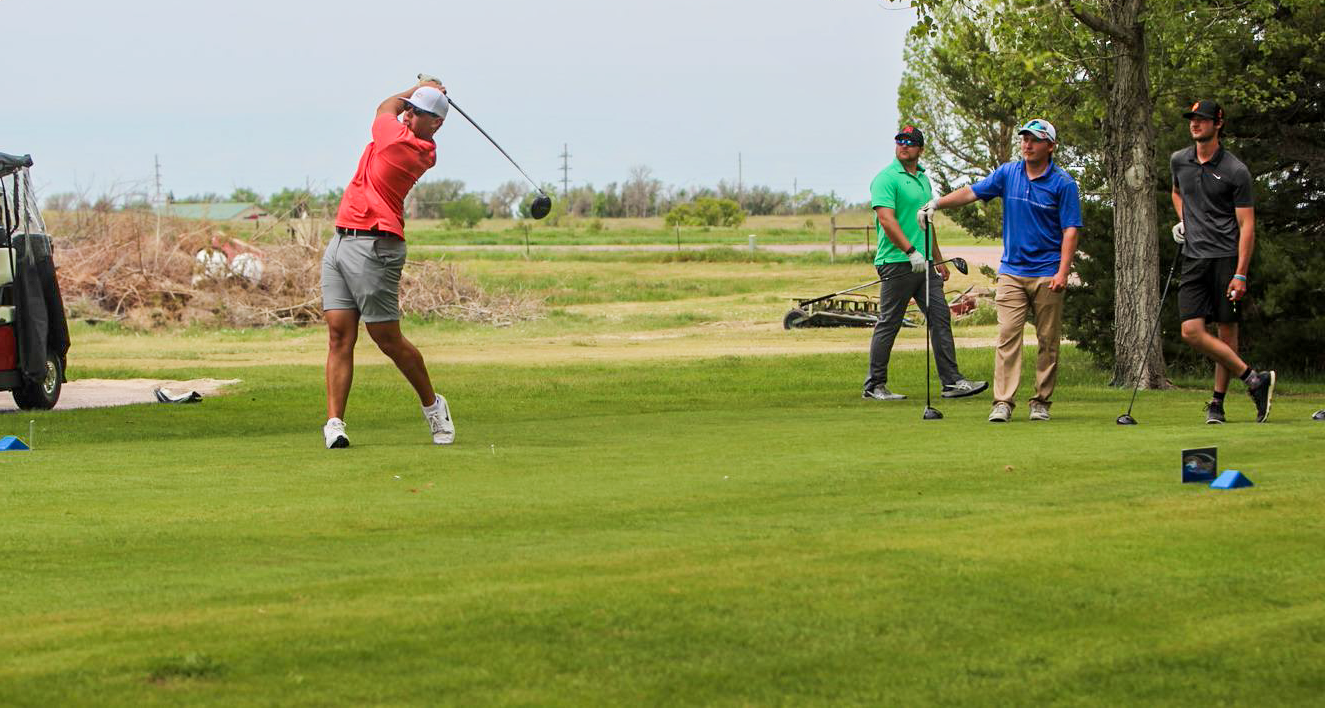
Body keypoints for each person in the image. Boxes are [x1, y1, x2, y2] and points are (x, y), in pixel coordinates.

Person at [320, 79, 456, 448]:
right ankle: (335, 423)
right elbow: (393, 109)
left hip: (375, 246)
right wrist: (421, 91)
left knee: (387, 339)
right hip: (341, 239)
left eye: (420, 112)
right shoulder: (403, 131)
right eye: (410, 109)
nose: (410, 114)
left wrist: (418, 86)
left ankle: (433, 406)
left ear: (436, 124)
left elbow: (384, 107)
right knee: (338, 334)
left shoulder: (405, 145)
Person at [919, 119, 1081, 422]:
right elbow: (972, 192)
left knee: (1048, 340)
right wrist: (937, 204)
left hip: (1047, 272)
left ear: (1050, 146)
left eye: (1034, 140)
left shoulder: (1063, 183)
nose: (1027, 144)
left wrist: (1062, 272)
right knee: (1008, 335)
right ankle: (1003, 402)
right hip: (1012, 272)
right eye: (1024, 139)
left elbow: (1070, 230)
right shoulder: (1009, 173)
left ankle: (1041, 402)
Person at [862, 125, 987, 402]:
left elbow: (926, 222)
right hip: (896, 261)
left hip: (925, 264)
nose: (903, 145)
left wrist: (937, 257)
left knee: (940, 318)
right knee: (890, 322)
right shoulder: (886, 178)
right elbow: (886, 219)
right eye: (900, 141)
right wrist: (910, 251)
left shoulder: (922, 180)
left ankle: (952, 382)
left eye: (910, 142)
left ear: (920, 149)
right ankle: (874, 385)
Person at [1169, 99, 1274, 423]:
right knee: (1191, 330)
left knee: (1227, 334)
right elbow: (1177, 192)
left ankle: (1217, 403)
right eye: (1192, 119)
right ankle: (1254, 379)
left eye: (1201, 119)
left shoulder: (1235, 170)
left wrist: (1241, 274)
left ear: (1218, 123)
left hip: (1226, 258)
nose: (1195, 124)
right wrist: (1184, 220)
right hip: (1194, 258)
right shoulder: (1179, 160)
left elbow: (1247, 225)